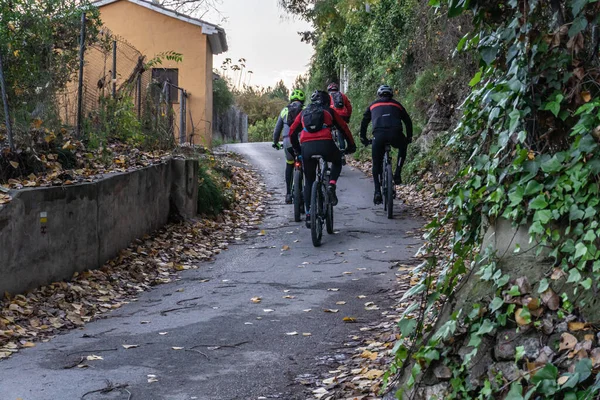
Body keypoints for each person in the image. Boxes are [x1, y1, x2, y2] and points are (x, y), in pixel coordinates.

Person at [289, 90, 357, 227]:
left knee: (309, 180)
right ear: (327, 101)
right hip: (326, 145)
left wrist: (297, 149)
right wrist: (351, 146)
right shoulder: (329, 112)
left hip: (307, 147)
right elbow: (343, 128)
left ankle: (308, 214)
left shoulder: (304, 112)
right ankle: (331, 184)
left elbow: (292, 132)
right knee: (337, 161)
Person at [360, 84, 413, 205]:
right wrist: (409, 136)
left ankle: (377, 191)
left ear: (379, 95)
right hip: (396, 134)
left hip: (378, 136)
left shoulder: (373, 105)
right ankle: (398, 173)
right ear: (391, 95)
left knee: (376, 163)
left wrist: (363, 138)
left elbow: (364, 122)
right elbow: (407, 121)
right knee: (402, 146)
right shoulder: (397, 105)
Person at [273, 89, 306, 204]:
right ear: (303, 100)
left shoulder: (284, 111)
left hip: (288, 141)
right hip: (302, 140)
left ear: (291, 99)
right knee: (305, 164)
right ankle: (305, 191)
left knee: (290, 164)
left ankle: (288, 194)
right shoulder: (304, 110)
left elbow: (277, 129)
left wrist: (275, 142)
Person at [327, 82, 353, 164]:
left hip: (332, 116)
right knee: (341, 135)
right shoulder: (343, 96)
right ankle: (342, 155)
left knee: (328, 132)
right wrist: (348, 116)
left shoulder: (328, 97)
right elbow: (349, 107)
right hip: (342, 116)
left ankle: (330, 150)